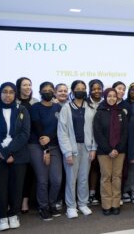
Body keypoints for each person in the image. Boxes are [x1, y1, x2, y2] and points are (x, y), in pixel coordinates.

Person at [0, 82, 31, 231]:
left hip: (18, 155)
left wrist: (8, 151)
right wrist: (1, 152)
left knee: (16, 187)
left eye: (11, 92)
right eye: (5, 92)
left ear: (15, 94)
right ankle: (2, 216)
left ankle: (13, 214)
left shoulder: (22, 110)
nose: (8, 95)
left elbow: (24, 134)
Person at [57, 80, 97, 219]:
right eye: (78, 88)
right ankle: (71, 206)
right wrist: (67, 151)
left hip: (87, 148)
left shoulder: (90, 108)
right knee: (71, 179)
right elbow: (62, 132)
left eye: (83, 88)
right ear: (72, 91)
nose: (81, 90)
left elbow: (93, 130)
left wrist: (93, 148)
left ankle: (83, 203)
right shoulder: (66, 108)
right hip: (71, 149)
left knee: (83, 178)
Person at [29, 82, 63, 221]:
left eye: (50, 90)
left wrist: (50, 139)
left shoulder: (58, 107)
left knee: (56, 180)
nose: (48, 92)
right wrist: (45, 150)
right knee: (43, 180)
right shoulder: (35, 107)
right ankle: (43, 207)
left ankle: (52, 203)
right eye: (45, 90)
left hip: (54, 145)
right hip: (37, 145)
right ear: (40, 92)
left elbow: (60, 127)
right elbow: (38, 129)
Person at [93, 88, 129, 216]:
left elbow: (125, 133)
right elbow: (97, 133)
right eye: (109, 96)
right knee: (106, 177)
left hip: (120, 151)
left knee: (117, 177)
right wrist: (109, 150)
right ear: (105, 97)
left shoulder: (121, 112)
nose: (112, 98)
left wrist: (117, 149)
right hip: (104, 152)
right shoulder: (99, 112)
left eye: (114, 96)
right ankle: (106, 205)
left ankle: (115, 204)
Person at [15, 77, 37, 214]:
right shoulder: (14, 102)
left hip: (33, 143)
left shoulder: (36, 102)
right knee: (17, 174)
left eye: (29, 85)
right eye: (24, 85)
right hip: (18, 143)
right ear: (19, 87)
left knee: (29, 174)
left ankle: (25, 201)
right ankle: (13, 201)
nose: (28, 87)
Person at [86, 79, 104, 206]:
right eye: (94, 89)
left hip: (103, 142)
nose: (97, 91)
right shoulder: (85, 103)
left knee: (102, 169)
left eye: (99, 88)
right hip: (88, 141)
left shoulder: (107, 102)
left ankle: (102, 194)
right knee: (91, 169)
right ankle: (91, 194)